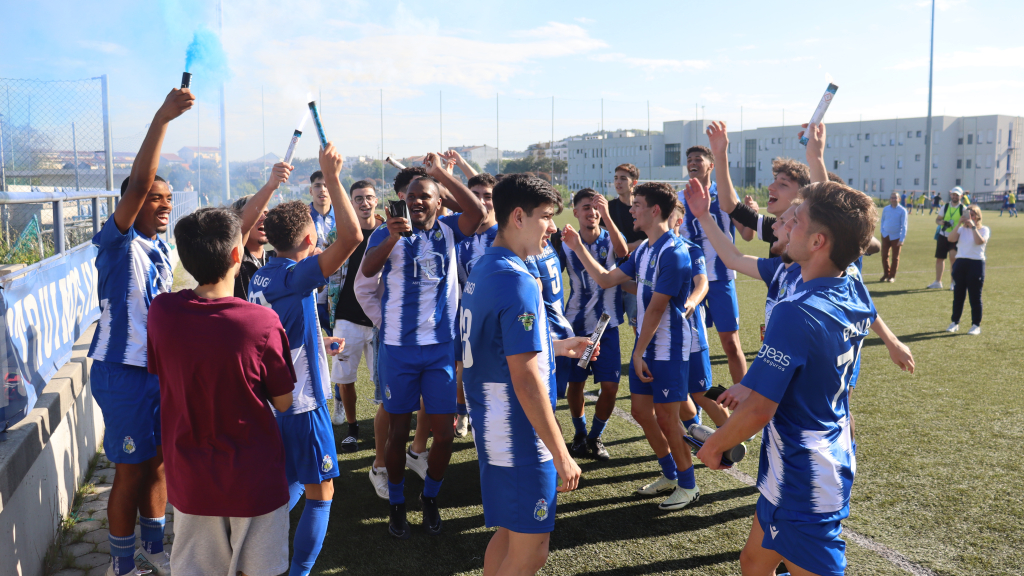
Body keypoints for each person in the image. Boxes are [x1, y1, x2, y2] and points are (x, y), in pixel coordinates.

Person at [696, 180, 879, 576]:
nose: (786, 225)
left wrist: (714, 445)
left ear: (817, 242)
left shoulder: (796, 311)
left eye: (797, 222)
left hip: (805, 477)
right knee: (753, 562)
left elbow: (759, 410)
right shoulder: (852, 288)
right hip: (805, 461)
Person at [147, 206, 297, 576]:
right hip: (254, 477)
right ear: (236, 255)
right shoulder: (261, 321)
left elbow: (162, 369)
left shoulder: (162, 312)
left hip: (191, 478)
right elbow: (283, 401)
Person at [461, 174, 595, 576]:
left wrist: (558, 347)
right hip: (519, 435)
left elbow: (495, 345)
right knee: (531, 552)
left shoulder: (486, 266)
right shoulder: (516, 280)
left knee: (508, 535)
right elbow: (524, 378)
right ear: (518, 217)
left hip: (494, 427)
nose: (552, 227)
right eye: (546, 216)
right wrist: (561, 453)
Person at [88, 87, 192, 576]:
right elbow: (137, 184)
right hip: (121, 372)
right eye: (155, 197)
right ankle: (121, 564)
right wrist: (162, 119)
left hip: (154, 372)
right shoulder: (118, 241)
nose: (164, 204)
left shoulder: (161, 248)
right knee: (130, 470)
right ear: (134, 201)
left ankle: (153, 547)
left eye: (169, 199)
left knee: (158, 463)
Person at [248, 142, 363, 575]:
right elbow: (352, 239)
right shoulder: (295, 276)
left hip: (274, 402)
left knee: (291, 482)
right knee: (321, 493)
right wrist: (332, 177)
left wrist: (320, 340)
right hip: (302, 404)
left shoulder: (262, 274)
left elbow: (282, 330)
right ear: (310, 239)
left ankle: (252, 549)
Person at [360, 153, 485, 539]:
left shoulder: (450, 229)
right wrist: (392, 237)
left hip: (439, 349)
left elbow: (478, 212)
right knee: (398, 432)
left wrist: (440, 173)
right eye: (411, 195)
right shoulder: (388, 231)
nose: (416, 200)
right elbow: (367, 270)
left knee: (444, 434)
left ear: (438, 201)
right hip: (398, 348)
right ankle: (397, 502)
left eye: (424, 195)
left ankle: (430, 496)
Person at [563, 182, 701, 512]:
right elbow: (607, 279)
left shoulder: (674, 253)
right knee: (641, 411)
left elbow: (655, 308)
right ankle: (670, 475)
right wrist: (577, 247)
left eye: (637, 204)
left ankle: (689, 486)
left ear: (655, 210)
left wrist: (637, 352)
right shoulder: (645, 250)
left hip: (668, 348)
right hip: (648, 345)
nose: (631, 209)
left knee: (668, 419)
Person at [562, 188, 628, 461]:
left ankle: (595, 436)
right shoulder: (564, 242)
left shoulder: (612, 238)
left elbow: (624, 252)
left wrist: (609, 217)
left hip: (605, 327)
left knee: (610, 387)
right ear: (576, 211)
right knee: (576, 385)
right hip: (577, 326)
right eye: (586, 207)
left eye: (596, 207)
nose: (592, 212)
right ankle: (580, 434)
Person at [678, 143, 748, 386]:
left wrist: (749, 213)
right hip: (691, 281)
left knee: (731, 343)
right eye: (689, 159)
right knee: (690, 343)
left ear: (711, 165)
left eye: (698, 158)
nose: (692, 162)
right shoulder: (678, 199)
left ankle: (742, 394)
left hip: (721, 277)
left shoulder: (726, 195)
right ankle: (693, 396)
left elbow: (747, 234)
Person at [329, 180, 383, 451]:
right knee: (344, 379)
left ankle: (383, 428)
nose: (364, 202)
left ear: (376, 200)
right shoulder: (340, 233)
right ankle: (352, 428)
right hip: (345, 318)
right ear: (351, 202)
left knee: (382, 379)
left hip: (379, 320)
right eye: (358, 198)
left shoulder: (387, 232)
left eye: (369, 197)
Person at [667, 202, 728, 430]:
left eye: (667, 215)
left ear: (678, 221)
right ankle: (697, 433)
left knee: (703, 390)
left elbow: (702, 282)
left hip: (690, 331)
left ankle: (733, 435)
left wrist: (691, 301)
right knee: (676, 391)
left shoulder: (691, 249)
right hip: (662, 335)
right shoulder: (648, 250)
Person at [455, 172, 499, 437]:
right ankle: (462, 412)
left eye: (488, 196)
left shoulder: (506, 234)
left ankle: (488, 416)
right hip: (464, 314)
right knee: (463, 365)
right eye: (475, 196)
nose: (482, 201)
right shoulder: (458, 233)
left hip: (498, 316)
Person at [604, 163, 647, 329]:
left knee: (638, 324)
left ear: (634, 182)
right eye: (616, 178)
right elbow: (602, 240)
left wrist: (630, 246)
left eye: (623, 178)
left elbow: (650, 241)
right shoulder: (607, 208)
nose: (618, 182)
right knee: (603, 322)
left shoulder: (643, 208)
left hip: (637, 273)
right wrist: (631, 246)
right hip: (612, 272)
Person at [947, 205, 989, 335]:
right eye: (967, 214)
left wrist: (973, 227)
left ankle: (976, 325)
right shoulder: (961, 229)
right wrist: (959, 223)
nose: (969, 217)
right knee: (958, 295)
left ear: (978, 216)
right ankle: (955, 322)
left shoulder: (984, 229)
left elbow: (979, 241)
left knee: (975, 296)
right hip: (960, 263)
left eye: (972, 215)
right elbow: (950, 239)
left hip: (976, 263)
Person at [231, 193, 278, 300]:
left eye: (266, 213)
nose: (264, 218)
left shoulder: (276, 258)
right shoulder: (232, 262)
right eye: (257, 214)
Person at [928, 187, 965, 290]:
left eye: (957, 195)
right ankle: (938, 282)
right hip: (943, 235)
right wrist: (943, 222)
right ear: (951, 195)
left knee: (953, 259)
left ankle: (953, 282)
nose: (955, 197)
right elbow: (938, 220)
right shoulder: (945, 206)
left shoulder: (963, 208)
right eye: (953, 194)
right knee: (940, 258)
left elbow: (967, 222)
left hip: (956, 237)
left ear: (961, 196)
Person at [879, 191, 908, 283]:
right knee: (884, 256)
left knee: (895, 258)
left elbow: (904, 226)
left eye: (895, 197)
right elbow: (882, 221)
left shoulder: (902, 210)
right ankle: (886, 274)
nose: (893, 199)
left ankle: (892, 276)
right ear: (890, 199)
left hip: (896, 237)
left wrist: (902, 239)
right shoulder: (886, 209)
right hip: (885, 235)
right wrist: (882, 231)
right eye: (892, 197)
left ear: (899, 199)